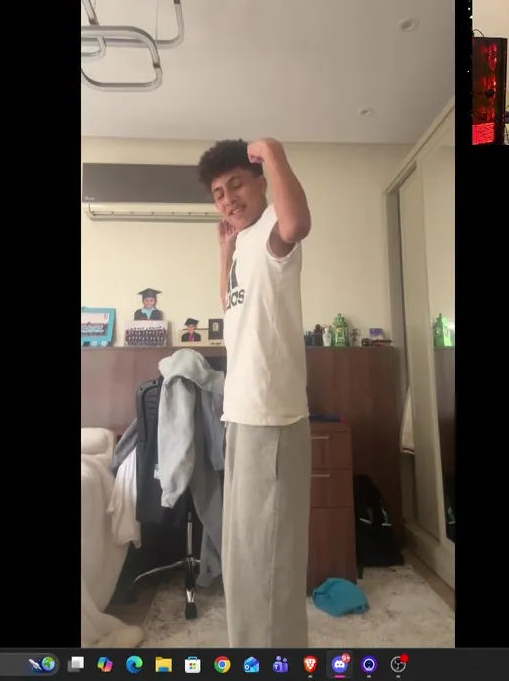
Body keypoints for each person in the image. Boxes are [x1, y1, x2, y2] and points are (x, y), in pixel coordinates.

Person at [200, 137, 312, 647]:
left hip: (272, 418)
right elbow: (230, 310)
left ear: (261, 183)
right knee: (246, 555)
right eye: (219, 193)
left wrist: (273, 152)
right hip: (242, 415)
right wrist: (224, 253)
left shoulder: (271, 230)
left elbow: (296, 224)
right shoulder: (244, 243)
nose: (228, 199)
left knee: (270, 559)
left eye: (237, 185)